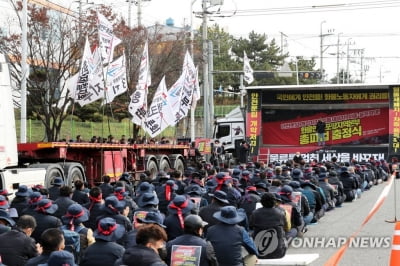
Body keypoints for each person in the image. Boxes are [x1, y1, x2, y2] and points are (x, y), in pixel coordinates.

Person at [250, 192, 288, 259]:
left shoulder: (255, 213)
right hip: (278, 253)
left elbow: (250, 226)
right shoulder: (281, 213)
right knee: (283, 234)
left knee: (252, 233)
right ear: (274, 202)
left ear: (261, 202)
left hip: (259, 253)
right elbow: (286, 227)